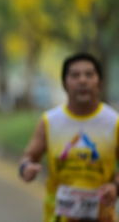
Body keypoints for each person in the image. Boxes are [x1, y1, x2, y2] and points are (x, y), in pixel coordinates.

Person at [19, 53, 119, 222]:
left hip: (103, 217)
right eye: (75, 75)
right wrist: (26, 168)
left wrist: (115, 186)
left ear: (99, 82)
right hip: (58, 217)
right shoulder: (49, 121)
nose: (82, 80)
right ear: (65, 83)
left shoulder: (113, 122)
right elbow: (28, 158)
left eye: (89, 74)